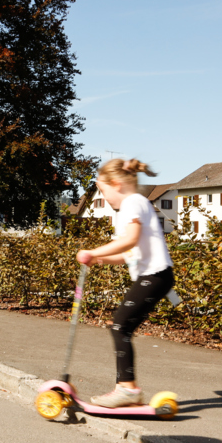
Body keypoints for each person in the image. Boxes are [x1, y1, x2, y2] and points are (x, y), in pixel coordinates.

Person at [75, 159, 174, 409]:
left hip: (155, 275)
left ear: (116, 184)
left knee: (120, 326)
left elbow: (129, 240)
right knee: (121, 327)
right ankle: (127, 388)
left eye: (103, 191)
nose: (105, 198)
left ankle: (127, 389)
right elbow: (128, 253)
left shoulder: (133, 203)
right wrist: (98, 259)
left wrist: (93, 250)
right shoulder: (134, 206)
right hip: (153, 276)